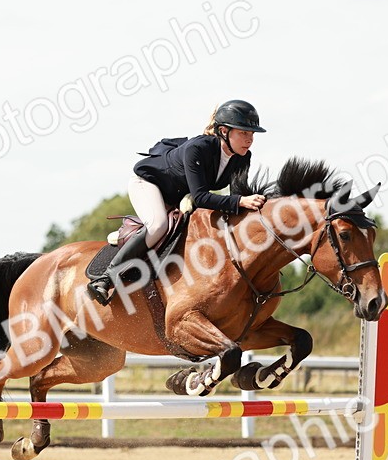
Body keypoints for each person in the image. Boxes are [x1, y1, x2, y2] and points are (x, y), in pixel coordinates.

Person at [87, 99, 269, 305]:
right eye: (244, 133)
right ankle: (105, 277)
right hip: (148, 184)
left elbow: (236, 198)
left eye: (252, 134)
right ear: (224, 131)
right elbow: (202, 197)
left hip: (178, 195)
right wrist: (241, 201)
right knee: (158, 225)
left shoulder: (242, 157)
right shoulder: (198, 148)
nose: (250, 139)